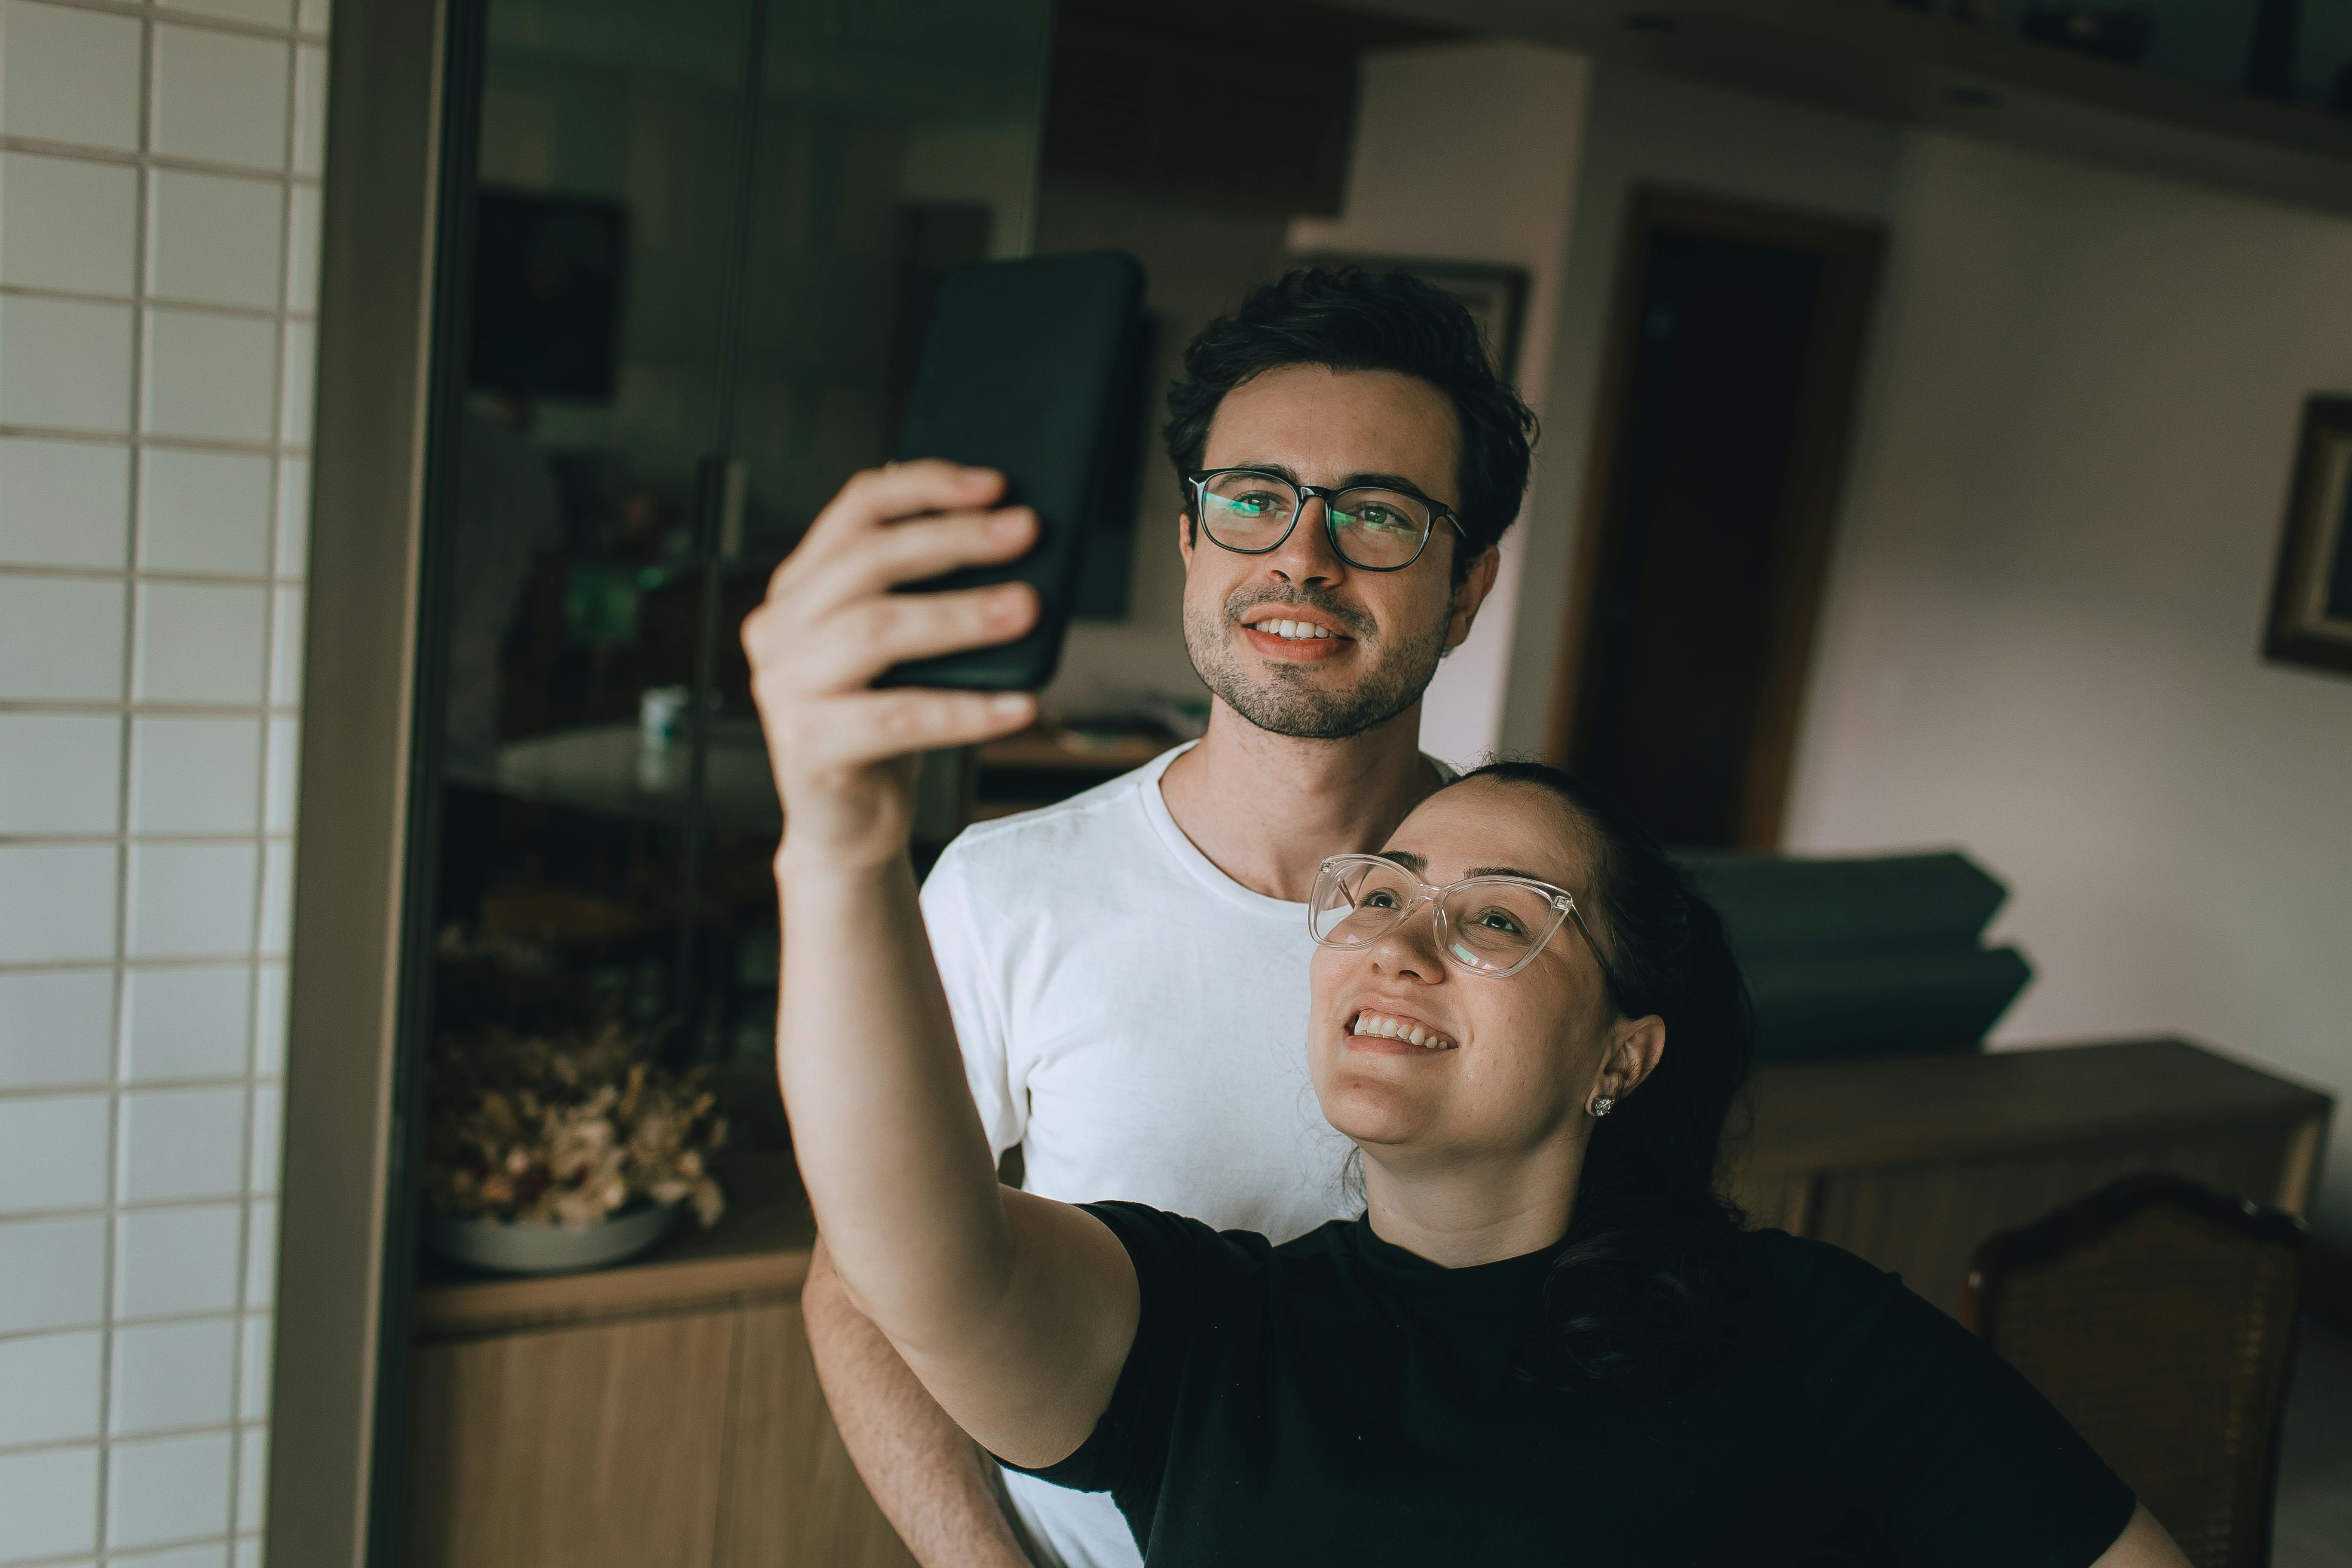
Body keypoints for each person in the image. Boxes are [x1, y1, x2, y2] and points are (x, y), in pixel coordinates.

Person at [740, 458, 2191, 1566]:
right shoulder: (1213, 1338)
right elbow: (907, 1249)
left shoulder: (1811, 1336)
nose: (1400, 944)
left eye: (1498, 917)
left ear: (1625, 1052)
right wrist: (839, 845)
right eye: (1376, 896)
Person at [801, 269, 1522, 1568]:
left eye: (1379, 515)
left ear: (1467, 588)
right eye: (1253, 501)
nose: (1302, 557)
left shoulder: (1536, 926)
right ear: (1192, 539)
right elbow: (859, 1282)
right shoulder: (1002, 888)